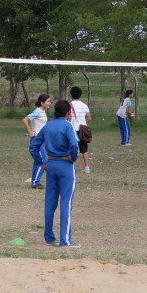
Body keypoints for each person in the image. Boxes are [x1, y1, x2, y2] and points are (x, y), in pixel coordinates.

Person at [30, 99, 80, 246]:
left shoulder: (48, 126)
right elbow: (74, 144)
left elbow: (34, 146)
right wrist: (73, 158)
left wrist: (41, 162)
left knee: (50, 202)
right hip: (65, 165)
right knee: (66, 202)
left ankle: (49, 237)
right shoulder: (67, 125)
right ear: (67, 113)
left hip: (51, 165)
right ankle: (65, 240)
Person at [24, 94, 52, 189]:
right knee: (43, 161)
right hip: (37, 140)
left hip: (42, 140)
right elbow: (25, 120)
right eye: (48, 101)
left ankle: (35, 181)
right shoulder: (38, 111)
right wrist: (30, 131)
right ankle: (36, 182)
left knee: (38, 161)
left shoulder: (42, 112)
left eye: (49, 101)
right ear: (42, 102)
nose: (50, 103)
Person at [68, 86, 92, 173]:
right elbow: (89, 117)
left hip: (72, 130)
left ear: (71, 95)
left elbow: (69, 118)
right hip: (82, 130)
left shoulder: (69, 105)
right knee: (84, 149)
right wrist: (83, 122)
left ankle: (71, 167)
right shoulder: (84, 105)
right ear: (80, 95)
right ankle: (87, 167)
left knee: (71, 148)